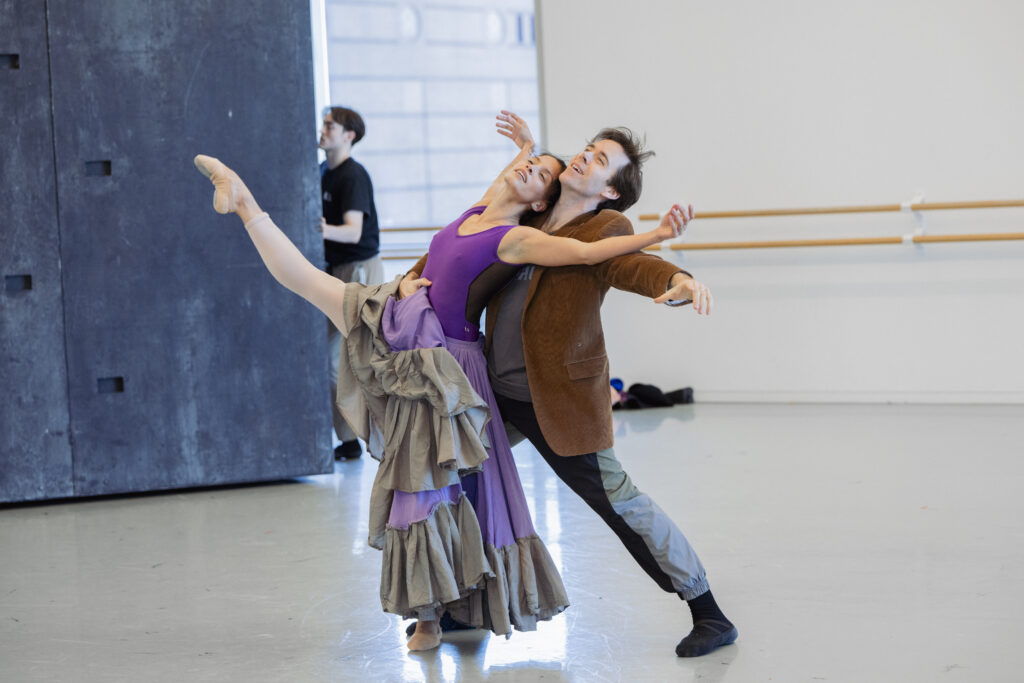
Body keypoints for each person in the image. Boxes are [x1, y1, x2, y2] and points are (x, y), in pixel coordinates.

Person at [192, 127, 689, 651]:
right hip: (410, 325)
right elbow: (479, 211)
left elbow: (589, 256)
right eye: (531, 165)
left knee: (428, 490)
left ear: (541, 200)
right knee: (312, 285)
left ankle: (431, 617)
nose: (528, 171)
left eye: (541, 173)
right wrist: (524, 152)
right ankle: (244, 200)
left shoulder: (514, 238)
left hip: (446, 362)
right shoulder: (476, 213)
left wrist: (655, 238)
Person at [403, 112, 735, 658]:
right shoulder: (528, 216)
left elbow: (636, 265)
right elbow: (459, 249)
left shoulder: (605, 230)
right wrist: (410, 280)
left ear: (609, 190)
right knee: (454, 487)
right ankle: (463, 609)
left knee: (620, 502)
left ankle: (708, 611)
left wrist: (678, 280)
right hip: (492, 395)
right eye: (588, 147)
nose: (584, 156)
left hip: (558, 401)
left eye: (600, 159)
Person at [319, 106, 383, 460]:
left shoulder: (353, 176)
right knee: (331, 358)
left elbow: (353, 231)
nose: (323, 130)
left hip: (359, 272)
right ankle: (348, 440)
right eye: (324, 124)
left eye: (330, 125)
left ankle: (374, 436)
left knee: (355, 358)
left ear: (349, 136)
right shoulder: (322, 172)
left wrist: (320, 228)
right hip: (335, 270)